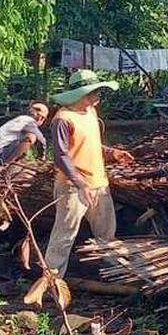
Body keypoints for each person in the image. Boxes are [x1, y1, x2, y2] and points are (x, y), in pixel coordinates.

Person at [44, 70, 135, 276]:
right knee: (64, 237)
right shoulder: (63, 119)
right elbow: (61, 156)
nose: (97, 97)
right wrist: (80, 183)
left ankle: (114, 274)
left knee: (106, 235)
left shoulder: (91, 113)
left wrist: (112, 153)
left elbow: (91, 145)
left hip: (99, 184)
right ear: (82, 94)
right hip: (72, 188)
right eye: (94, 93)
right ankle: (52, 281)